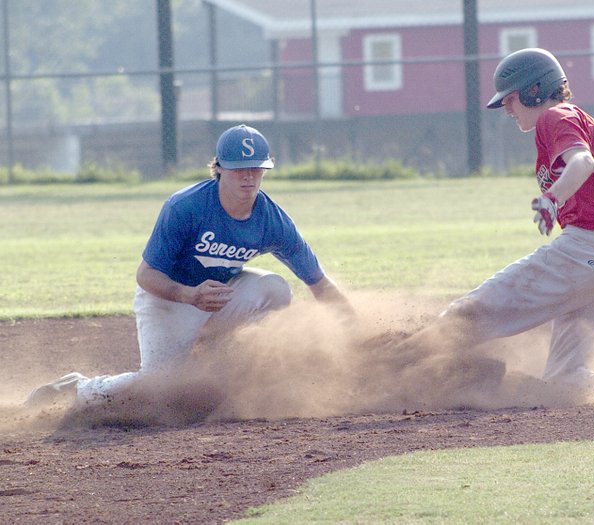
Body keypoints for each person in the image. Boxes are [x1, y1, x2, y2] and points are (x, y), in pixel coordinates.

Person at [394, 48, 594, 400]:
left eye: (510, 100)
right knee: (564, 379)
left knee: (469, 314)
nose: (507, 110)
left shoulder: (554, 117)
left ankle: (387, 368)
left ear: (534, 91)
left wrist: (551, 198)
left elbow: (582, 163)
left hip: (585, 253)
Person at [25, 124, 351, 411]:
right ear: (219, 167)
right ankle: (77, 389)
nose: (249, 176)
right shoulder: (185, 207)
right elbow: (146, 275)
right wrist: (189, 294)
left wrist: (358, 330)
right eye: (239, 168)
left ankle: (218, 362)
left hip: (217, 298)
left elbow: (319, 284)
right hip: (169, 297)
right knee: (159, 388)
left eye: (256, 167)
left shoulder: (273, 221)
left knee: (276, 289)